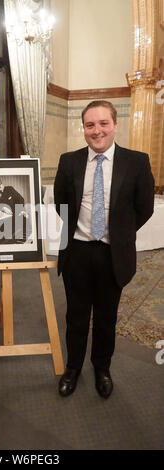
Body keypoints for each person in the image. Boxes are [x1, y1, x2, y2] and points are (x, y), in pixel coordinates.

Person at [54, 100, 154, 399]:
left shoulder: (137, 161)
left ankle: (101, 368)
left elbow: (144, 207)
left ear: (115, 124)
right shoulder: (68, 161)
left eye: (103, 124)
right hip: (77, 252)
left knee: (107, 317)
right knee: (76, 315)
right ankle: (72, 368)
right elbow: (62, 204)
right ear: (83, 128)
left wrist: (121, 233)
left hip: (113, 253)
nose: (96, 131)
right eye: (90, 125)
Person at [0, 178, 29, 243]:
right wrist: (2, 208)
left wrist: (20, 210)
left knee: (22, 218)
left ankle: (20, 239)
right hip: (3, 215)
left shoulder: (9, 189)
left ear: (2, 184)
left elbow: (20, 199)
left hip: (14, 212)